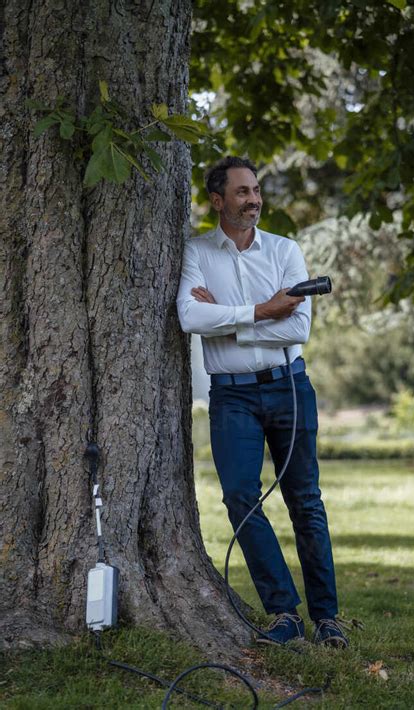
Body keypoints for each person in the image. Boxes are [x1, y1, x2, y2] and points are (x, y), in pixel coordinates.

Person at [177, 156, 348, 648]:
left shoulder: (284, 251)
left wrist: (227, 318)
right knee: (239, 498)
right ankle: (283, 612)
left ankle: (328, 618)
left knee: (305, 502)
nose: (253, 199)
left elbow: (299, 328)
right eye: (241, 192)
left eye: (255, 190)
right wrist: (263, 310)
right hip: (231, 396)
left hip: (289, 386)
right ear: (217, 200)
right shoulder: (197, 252)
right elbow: (190, 316)